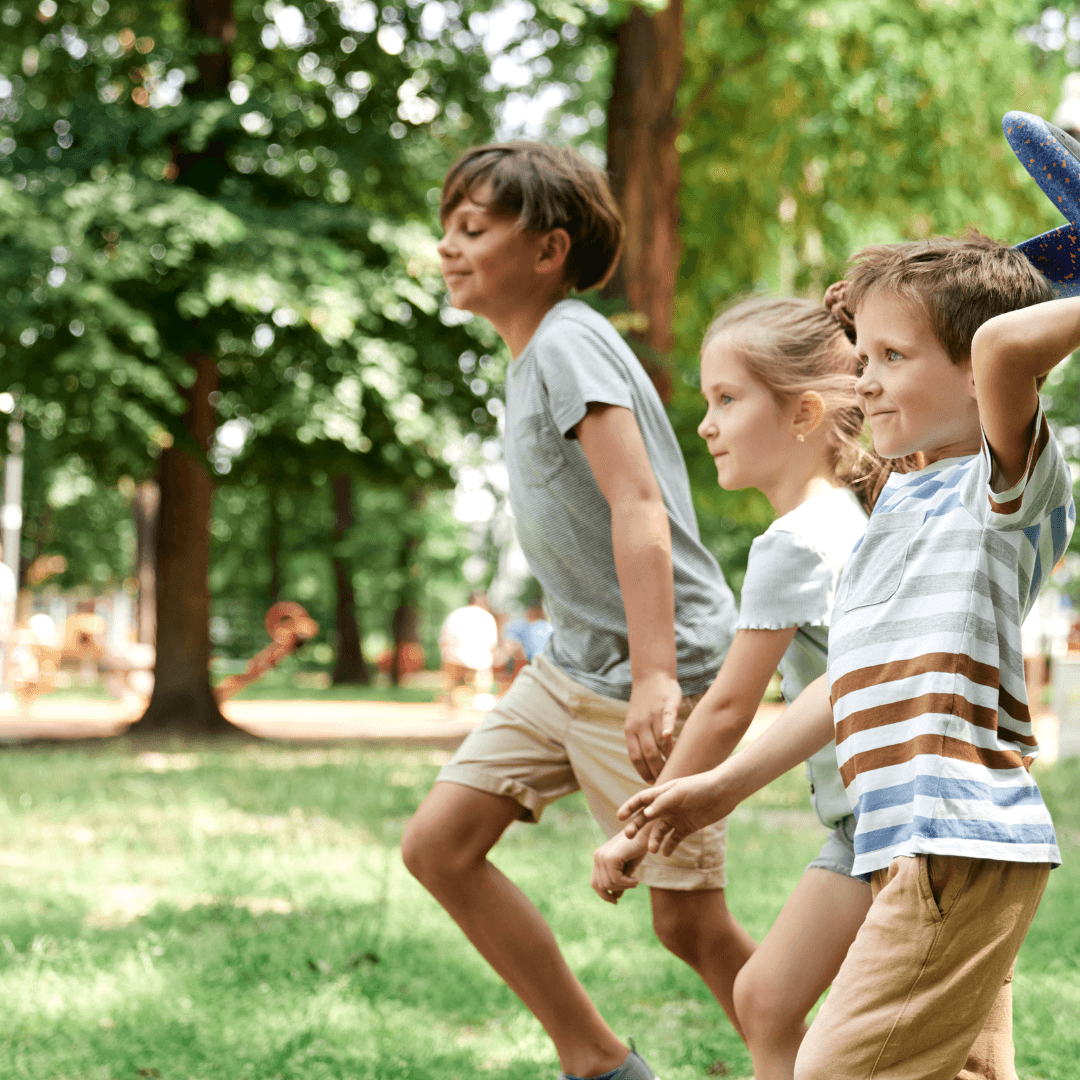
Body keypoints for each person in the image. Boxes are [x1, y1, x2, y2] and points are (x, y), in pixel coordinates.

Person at [619, 233, 1075, 1080]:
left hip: (953, 842)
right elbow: (849, 680)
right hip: (915, 844)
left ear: (978, 376)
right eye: (862, 355)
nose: (864, 379)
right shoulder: (901, 498)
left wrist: (1010, 303)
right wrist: (718, 786)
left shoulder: (1003, 489)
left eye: (892, 356)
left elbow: (1005, 342)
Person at [401, 142, 750, 1080]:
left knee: (688, 924)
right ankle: (597, 1063)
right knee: (440, 846)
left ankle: (827, 1067)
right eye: (447, 228)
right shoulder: (530, 357)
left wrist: (654, 678)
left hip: (652, 662)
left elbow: (637, 503)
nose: (449, 246)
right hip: (569, 664)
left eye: (474, 228)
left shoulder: (567, 340)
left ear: (548, 249)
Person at [590, 295, 881, 1080]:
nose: (706, 425)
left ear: (804, 413)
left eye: (727, 399)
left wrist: (637, 832)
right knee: (762, 998)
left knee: (775, 1004)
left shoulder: (795, 542)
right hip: (866, 825)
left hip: (881, 832)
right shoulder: (852, 518)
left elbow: (726, 706)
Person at [438, 590, 499, 705]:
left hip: (452, 660)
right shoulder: (487, 617)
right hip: (478, 662)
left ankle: (450, 697)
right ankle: (481, 694)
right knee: (485, 666)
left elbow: (443, 641)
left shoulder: (455, 614)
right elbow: (492, 646)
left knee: (451, 671)